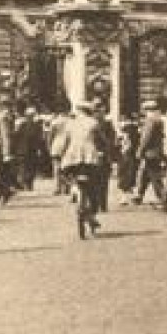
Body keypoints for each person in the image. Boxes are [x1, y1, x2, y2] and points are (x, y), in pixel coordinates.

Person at [55, 100, 108, 239]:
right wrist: (104, 150)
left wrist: (60, 154)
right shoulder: (94, 123)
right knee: (95, 187)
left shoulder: (70, 124)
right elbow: (102, 141)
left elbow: (64, 141)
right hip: (90, 159)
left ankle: (73, 188)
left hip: (72, 160)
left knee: (67, 175)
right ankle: (91, 212)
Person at [133, 100, 167, 206]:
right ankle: (138, 195)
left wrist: (140, 149)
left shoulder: (150, 120)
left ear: (146, 109)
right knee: (144, 174)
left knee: (154, 174)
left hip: (150, 152)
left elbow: (146, 137)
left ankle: (162, 196)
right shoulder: (158, 119)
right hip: (156, 151)